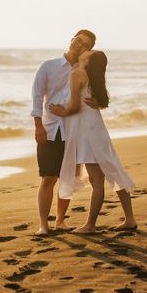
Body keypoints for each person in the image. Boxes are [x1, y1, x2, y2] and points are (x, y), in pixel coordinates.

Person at [49, 49, 137, 234]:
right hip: (96, 129)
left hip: (86, 132)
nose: (84, 52)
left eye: (88, 52)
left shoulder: (78, 73)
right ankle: (129, 219)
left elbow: (74, 106)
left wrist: (60, 112)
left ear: (88, 61)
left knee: (97, 181)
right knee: (114, 171)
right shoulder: (90, 76)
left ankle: (90, 225)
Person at [31, 29, 96, 236]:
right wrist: (38, 125)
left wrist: (97, 102)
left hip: (74, 131)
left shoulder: (86, 71)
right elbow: (37, 96)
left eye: (84, 44)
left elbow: (96, 96)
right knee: (48, 178)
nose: (79, 45)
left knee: (68, 179)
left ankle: (60, 221)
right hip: (50, 129)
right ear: (71, 40)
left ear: (88, 50)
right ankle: (43, 224)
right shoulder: (48, 66)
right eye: (78, 40)